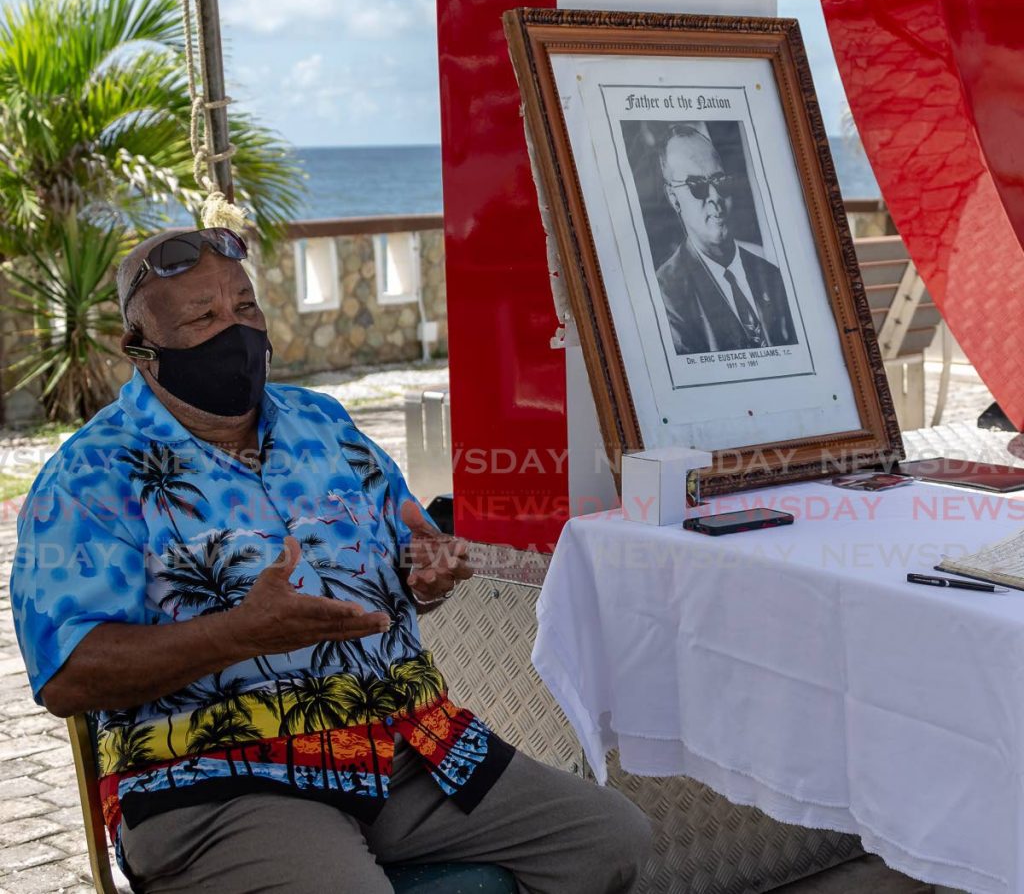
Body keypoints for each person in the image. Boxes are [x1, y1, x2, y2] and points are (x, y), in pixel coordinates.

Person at [10, 228, 650, 893]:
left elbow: (411, 560)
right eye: (203, 317)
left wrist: (427, 574)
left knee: (609, 840)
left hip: (406, 747)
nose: (235, 328)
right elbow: (68, 674)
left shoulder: (324, 425)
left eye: (245, 307)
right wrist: (239, 634)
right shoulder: (90, 473)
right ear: (140, 349)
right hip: (217, 776)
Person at [655, 124, 796, 356]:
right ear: (674, 199)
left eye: (719, 181)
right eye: (697, 186)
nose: (715, 197)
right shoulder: (666, 294)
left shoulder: (772, 276)